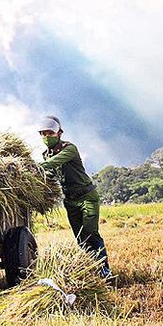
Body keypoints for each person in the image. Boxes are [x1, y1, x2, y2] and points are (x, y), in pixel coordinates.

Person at [38, 115, 111, 278]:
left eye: (50, 133)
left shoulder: (69, 149)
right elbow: (49, 173)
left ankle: (104, 270)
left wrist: (32, 167)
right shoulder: (46, 155)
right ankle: (93, 267)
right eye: (43, 134)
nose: (46, 137)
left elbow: (53, 163)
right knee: (80, 239)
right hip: (70, 200)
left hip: (86, 197)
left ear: (59, 133)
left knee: (91, 233)